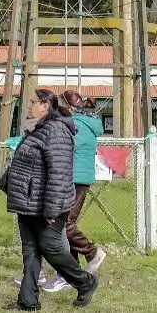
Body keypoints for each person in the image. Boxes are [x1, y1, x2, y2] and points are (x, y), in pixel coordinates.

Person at [1, 88, 99, 311]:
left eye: (32, 102)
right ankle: (27, 300)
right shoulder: (37, 129)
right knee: (30, 251)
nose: (28, 106)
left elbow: (59, 174)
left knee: (51, 249)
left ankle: (85, 281)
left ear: (45, 106)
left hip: (45, 206)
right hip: (27, 202)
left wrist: (51, 211)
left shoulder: (57, 131)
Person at [34, 89, 105, 292]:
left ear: (68, 105)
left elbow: (64, 147)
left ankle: (90, 254)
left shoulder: (78, 125)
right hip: (73, 179)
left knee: (65, 226)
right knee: (62, 226)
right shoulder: (81, 122)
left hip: (75, 180)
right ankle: (66, 271)